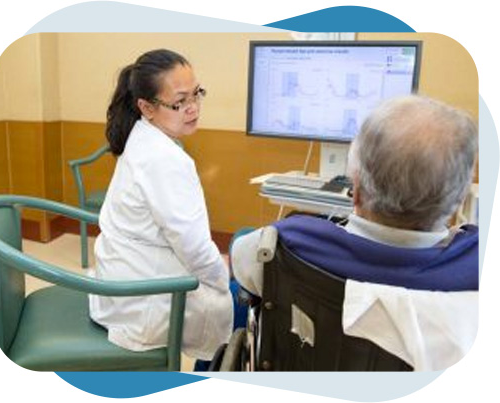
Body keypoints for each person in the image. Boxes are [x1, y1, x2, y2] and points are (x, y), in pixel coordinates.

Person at [232, 95, 478, 370]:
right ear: (458, 200)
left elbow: (241, 262)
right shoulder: (476, 270)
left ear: (356, 188)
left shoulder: (283, 243)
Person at [88, 49, 233, 362]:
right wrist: (225, 273)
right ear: (146, 107)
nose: (193, 108)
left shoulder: (142, 137)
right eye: (179, 102)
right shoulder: (165, 159)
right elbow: (193, 247)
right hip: (140, 301)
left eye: (197, 94)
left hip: (121, 284)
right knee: (237, 297)